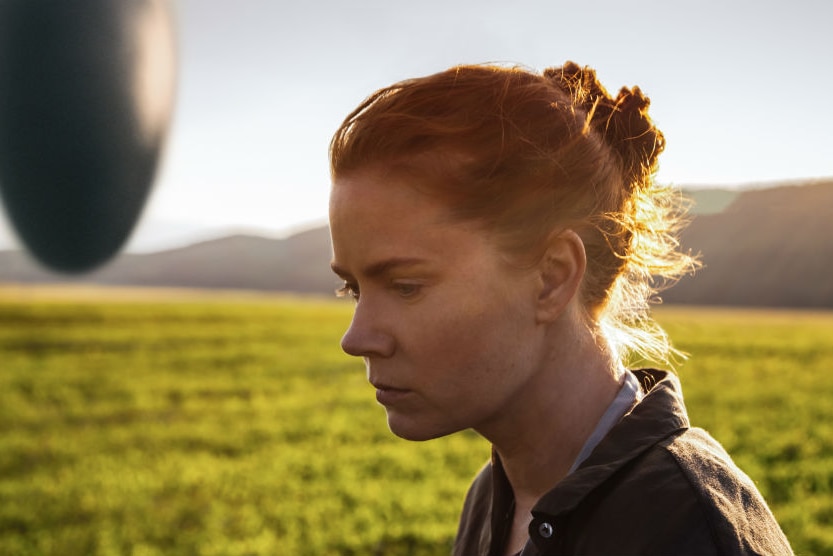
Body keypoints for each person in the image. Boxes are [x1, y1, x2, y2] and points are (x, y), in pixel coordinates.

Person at [327, 61, 792, 556]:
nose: (356, 339)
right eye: (353, 289)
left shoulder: (688, 529)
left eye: (404, 287)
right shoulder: (492, 497)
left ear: (552, 276)